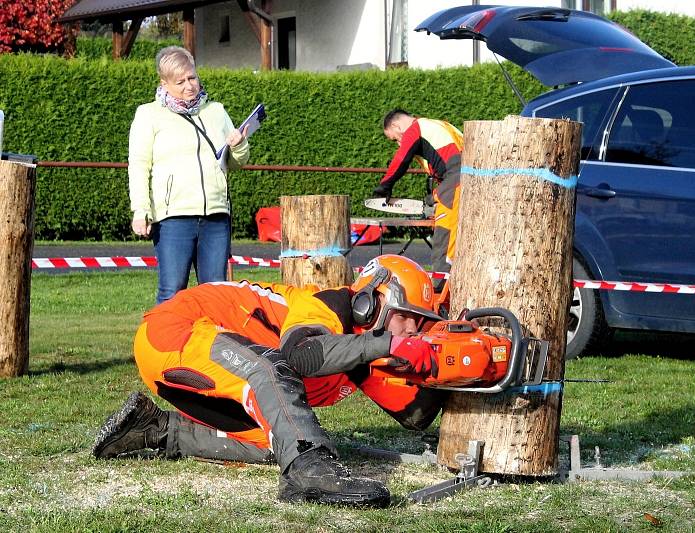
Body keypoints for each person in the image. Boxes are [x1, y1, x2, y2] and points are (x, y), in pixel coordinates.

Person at [92, 255, 447, 508]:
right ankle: (309, 470)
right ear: (372, 302)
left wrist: (446, 358)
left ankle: (155, 429)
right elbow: (300, 354)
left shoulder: (362, 348)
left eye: (420, 323)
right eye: (408, 318)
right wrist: (389, 343)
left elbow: (415, 415)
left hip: (197, 359)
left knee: (277, 438)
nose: (412, 330)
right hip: (173, 331)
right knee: (269, 367)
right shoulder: (324, 307)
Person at [128, 46, 250, 304]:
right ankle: (164, 345)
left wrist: (239, 144)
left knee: (217, 293)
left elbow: (236, 163)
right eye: (180, 81)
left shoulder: (216, 111)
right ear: (164, 83)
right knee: (172, 292)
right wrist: (140, 210)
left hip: (216, 216)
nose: (189, 86)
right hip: (173, 219)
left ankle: (215, 344)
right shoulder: (148, 114)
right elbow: (139, 165)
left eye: (192, 78)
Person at [375, 110, 464, 290]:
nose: (399, 143)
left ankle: (440, 293)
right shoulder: (440, 125)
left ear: (396, 126)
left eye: (395, 139)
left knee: (443, 243)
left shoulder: (415, 129)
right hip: (467, 179)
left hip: (456, 181)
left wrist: (385, 186)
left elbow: (401, 159)